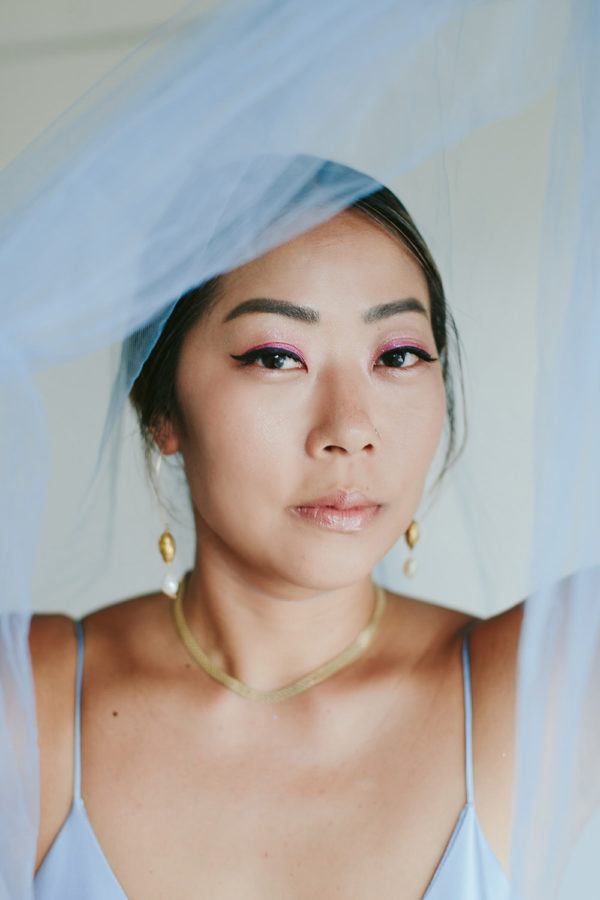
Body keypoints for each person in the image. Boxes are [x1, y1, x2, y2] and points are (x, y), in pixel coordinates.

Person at [28, 183, 524, 898]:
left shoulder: (534, 686)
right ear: (161, 407)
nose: (350, 427)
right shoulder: (30, 700)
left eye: (399, 355)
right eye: (275, 357)